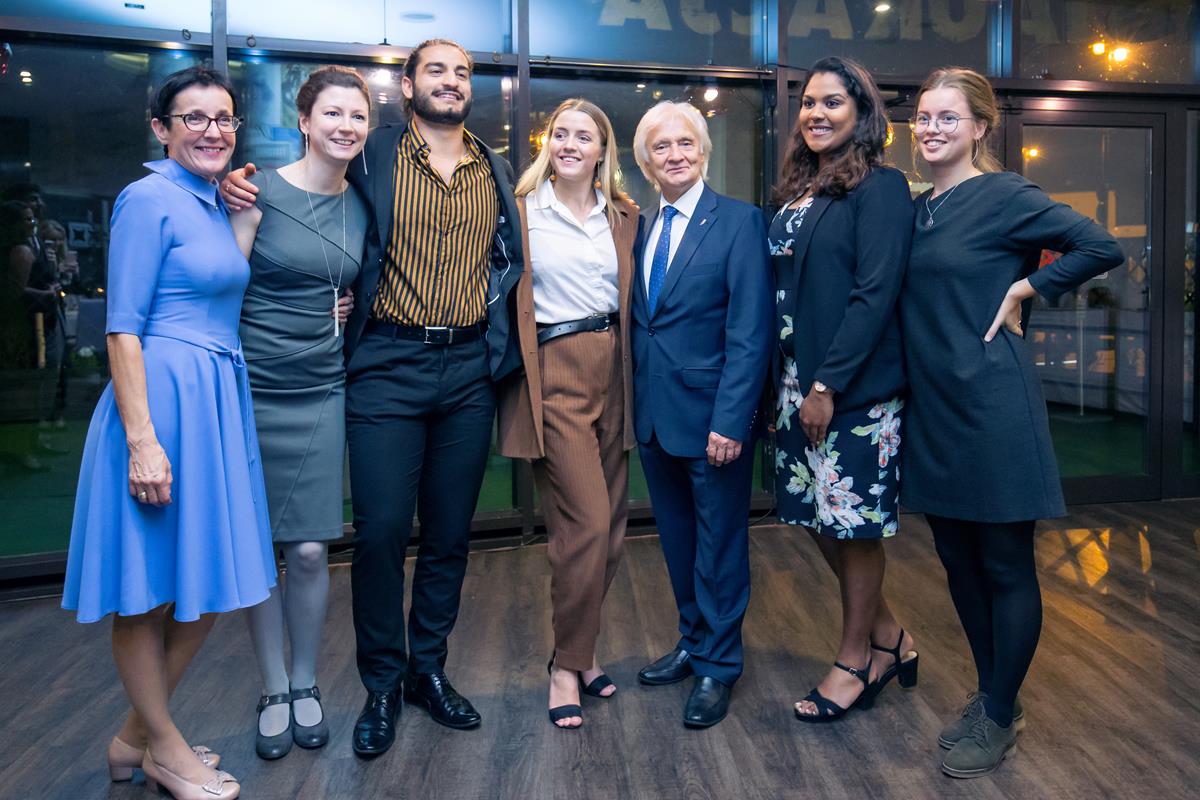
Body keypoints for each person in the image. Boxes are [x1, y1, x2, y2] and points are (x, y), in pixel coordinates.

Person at [222, 39, 524, 758]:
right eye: (436, 70)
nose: (450, 81)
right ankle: (382, 683)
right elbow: (311, 185)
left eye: (461, 73)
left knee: (449, 535)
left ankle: (428, 671)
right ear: (408, 86)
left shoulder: (496, 167)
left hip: (467, 369)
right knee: (382, 530)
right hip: (387, 362)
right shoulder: (373, 153)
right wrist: (236, 184)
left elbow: (511, 254)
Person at [900, 67, 1123, 778]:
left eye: (948, 117)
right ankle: (996, 694)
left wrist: (1028, 286)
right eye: (924, 117)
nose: (931, 128)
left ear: (980, 127)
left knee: (1003, 562)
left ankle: (998, 714)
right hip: (933, 407)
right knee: (958, 562)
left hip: (993, 402)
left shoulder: (1004, 195)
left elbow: (1100, 245)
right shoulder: (917, 209)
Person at [60, 65, 275, 799]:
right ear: (161, 129)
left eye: (224, 118)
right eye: (194, 118)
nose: (213, 131)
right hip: (160, 407)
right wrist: (143, 441)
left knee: (206, 585)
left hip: (213, 402)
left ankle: (135, 739)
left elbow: (220, 285)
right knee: (146, 591)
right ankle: (166, 748)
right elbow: (122, 329)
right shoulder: (146, 198)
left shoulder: (212, 201)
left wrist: (243, 216)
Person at [769, 57, 918, 723]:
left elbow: (874, 293)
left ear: (862, 111)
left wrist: (827, 384)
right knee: (816, 520)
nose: (816, 113)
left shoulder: (880, 187)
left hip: (850, 391)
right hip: (794, 384)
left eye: (832, 102)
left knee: (852, 527)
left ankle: (856, 660)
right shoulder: (801, 190)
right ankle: (889, 637)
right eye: (808, 102)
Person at [228, 66, 369, 760]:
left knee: (310, 549)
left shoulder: (364, 203)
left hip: (321, 387)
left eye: (358, 116)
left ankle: (307, 678)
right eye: (332, 113)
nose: (346, 126)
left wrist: (344, 307)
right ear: (305, 121)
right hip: (252, 387)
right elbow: (220, 289)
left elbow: (358, 282)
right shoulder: (256, 194)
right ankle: (273, 686)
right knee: (257, 547)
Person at [630, 100, 773, 728]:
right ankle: (692, 642)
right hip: (655, 418)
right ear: (645, 161)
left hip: (714, 420)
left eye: (685, 143)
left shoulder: (739, 222)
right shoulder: (639, 227)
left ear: (704, 151)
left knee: (720, 547)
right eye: (661, 146)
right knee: (679, 541)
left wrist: (732, 420)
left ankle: (719, 664)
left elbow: (750, 330)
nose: (674, 155)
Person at [497, 98, 639, 729]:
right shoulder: (522, 212)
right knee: (585, 526)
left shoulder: (624, 215)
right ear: (547, 143)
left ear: (603, 150)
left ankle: (580, 652)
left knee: (612, 533)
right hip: (554, 370)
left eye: (585, 135)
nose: (571, 144)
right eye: (561, 134)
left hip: (616, 370)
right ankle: (564, 667)